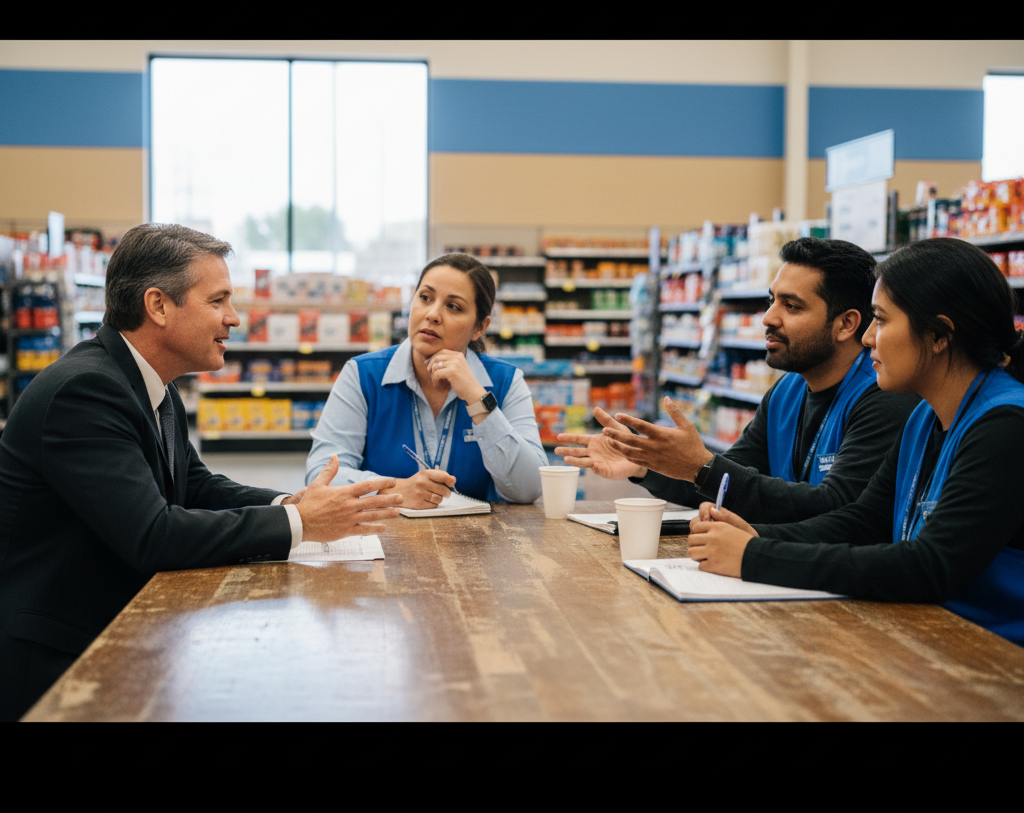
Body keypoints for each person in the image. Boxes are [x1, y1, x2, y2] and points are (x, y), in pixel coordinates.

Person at [0, 224, 403, 721]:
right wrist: (300, 526)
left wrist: (291, 505)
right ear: (159, 306)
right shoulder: (84, 392)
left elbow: (193, 485)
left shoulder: (154, 386)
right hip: (57, 659)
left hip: (119, 630)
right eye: (218, 301)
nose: (234, 318)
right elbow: (153, 534)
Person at [688, 238, 1024, 645]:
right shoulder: (925, 415)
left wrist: (754, 556)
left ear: (939, 335)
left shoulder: (1006, 425)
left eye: (881, 320)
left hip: (997, 660)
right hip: (935, 639)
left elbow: (930, 566)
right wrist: (755, 537)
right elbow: (864, 521)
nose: (867, 339)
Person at [556, 238, 919, 522]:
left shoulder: (883, 397)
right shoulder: (787, 391)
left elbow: (836, 507)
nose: (768, 318)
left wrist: (701, 467)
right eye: (771, 301)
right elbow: (728, 482)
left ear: (846, 324)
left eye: (791, 306)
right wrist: (645, 463)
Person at [307, 253, 547, 506]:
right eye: (425, 298)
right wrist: (396, 490)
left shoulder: (505, 382)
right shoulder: (363, 374)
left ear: (479, 328)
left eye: (453, 306)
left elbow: (530, 488)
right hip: (381, 536)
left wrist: (477, 399)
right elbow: (321, 476)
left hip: (474, 540)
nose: (432, 314)